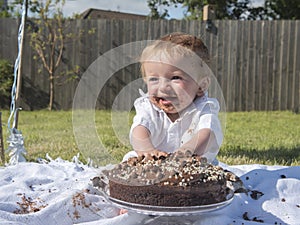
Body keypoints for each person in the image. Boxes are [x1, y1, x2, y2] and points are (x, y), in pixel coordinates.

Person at [123, 32, 223, 164]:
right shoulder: (148, 107)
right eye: (154, 79)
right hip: (152, 163)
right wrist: (148, 150)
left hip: (192, 165)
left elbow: (208, 133)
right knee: (129, 159)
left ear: (201, 85)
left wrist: (186, 151)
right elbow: (139, 129)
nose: (163, 87)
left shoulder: (204, 108)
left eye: (175, 78)